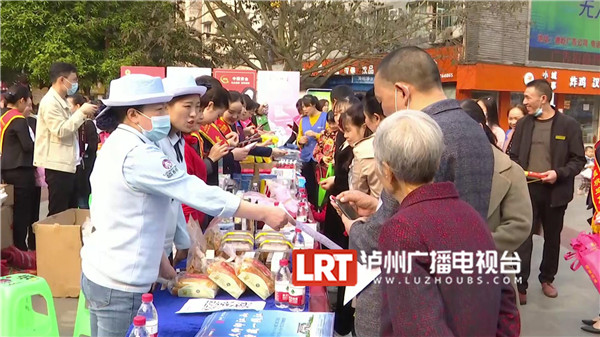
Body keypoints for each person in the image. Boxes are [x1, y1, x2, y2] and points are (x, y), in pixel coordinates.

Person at [81, 74, 290, 337]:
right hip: (121, 285)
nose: (163, 114)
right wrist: (262, 212)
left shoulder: (122, 144)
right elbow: (191, 191)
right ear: (133, 115)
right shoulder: (137, 154)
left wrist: (162, 262)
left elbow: (140, 214)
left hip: (107, 272)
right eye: (158, 109)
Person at [337, 46, 494, 335]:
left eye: (383, 102)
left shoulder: (421, 134)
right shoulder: (472, 128)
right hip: (461, 296)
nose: (382, 113)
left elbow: (385, 235)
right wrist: (377, 205)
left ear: (402, 92)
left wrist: (355, 228)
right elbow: (432, 209)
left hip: (409, 301)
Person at [365, 110, 503, 336]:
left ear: (387, 172)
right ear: (438, 160)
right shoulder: (469, 214)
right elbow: (504, 298)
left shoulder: (401, 229)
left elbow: (420, 327)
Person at [510, 79, 585, 304]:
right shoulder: (524, 124)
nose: (524, 102)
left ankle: (547, 279)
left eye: (527, 97)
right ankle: (521, 284)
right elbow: (513, 155)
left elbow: (578, 159)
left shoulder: (568, 125)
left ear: (543, 99)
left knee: (552, 238)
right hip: (527, 190)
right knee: (524, 237)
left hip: (555, 192)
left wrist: (559, 173)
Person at [460, 99, 532, 253]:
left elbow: (518, 225)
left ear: (479, 128)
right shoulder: (436, 166)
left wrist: (473, 244)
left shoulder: (511, 171)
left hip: (492, 265)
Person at [33, 62, 98, 215]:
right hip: (57, 166)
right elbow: (60, 130)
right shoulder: (50, 102)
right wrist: (81, 113)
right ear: (62, 80)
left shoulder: (61, 101)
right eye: (73, 80)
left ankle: (66, 239)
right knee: (58, 212)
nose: (75, 84)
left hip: (68, 164)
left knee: (70, 211)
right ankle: (54, 239)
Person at [157, 74, 207, 266]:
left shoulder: (178, 141)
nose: (194, 114)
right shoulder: (153, 145)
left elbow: (175, 199)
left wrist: (184, 242)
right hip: (149, 254)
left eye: (197, 106)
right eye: (187, 106)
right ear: (165, 107)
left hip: (165, 250)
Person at [0, 85, 37, 250]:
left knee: (10, 210)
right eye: (29, 100)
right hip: (21, 169)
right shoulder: (19, 119)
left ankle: (10, 244)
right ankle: (20, 247)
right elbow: (28, 146)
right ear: (22, 100)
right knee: (22, 210)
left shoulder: (3, 117)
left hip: (6, 168)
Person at [341, 101, 381, 198]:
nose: (345, 135)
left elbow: (358, 192)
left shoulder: (361, 152)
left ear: (363, 127)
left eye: (348, 130)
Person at [67, 94, 98, 209]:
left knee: (82, 200)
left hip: (84, 171)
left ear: (78, 106)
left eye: (69, 105)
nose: (67, 108)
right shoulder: (70, 125)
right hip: (73, 170)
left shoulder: (87, 124)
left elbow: (92, 147)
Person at [297, 95, 327, 206]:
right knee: (307, 184)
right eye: (303, 107)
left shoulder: (325, 117)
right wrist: (300, 141)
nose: (304, 109)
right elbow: (298, 138)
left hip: (319, 158)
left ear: (313, 105)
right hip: (305, 157)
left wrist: (316, 135)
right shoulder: (303, 120)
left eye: (306, 106)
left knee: (319, 185)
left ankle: (319, 208)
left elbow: (329, 137)